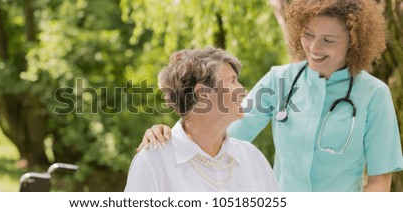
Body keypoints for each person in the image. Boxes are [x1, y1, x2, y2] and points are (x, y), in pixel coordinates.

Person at [138, 0, 403, 191]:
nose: (313, 47)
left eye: (328, 40)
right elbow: (222, 129)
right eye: (308, 35)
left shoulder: (374, 95)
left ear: (353, 42)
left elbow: (380, 180)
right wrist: (169, 137)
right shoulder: (281, 80)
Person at [124, 47, 279, 191]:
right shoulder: (153, 161)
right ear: (203, 93)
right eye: (232, 81)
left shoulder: (252, 158)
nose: (243, 91)